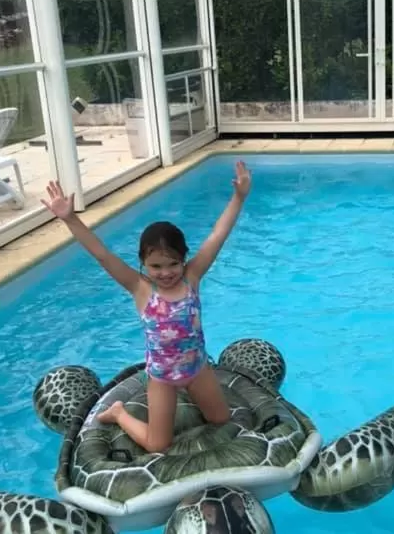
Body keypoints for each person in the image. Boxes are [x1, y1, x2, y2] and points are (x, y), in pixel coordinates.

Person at [41, 160, 252, 454]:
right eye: (155, 266)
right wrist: (70, 219)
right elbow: (102, 254)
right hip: (162, 378)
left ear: (184, 259)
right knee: (158, 444)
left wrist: (239, 197)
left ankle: (190, 396)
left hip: (197, 369)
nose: (165, 272)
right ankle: (118, 413)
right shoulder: (140, 288)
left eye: (172, 264)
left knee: (221, 419)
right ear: (142, 263)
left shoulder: (192, 277)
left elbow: (218, 235)